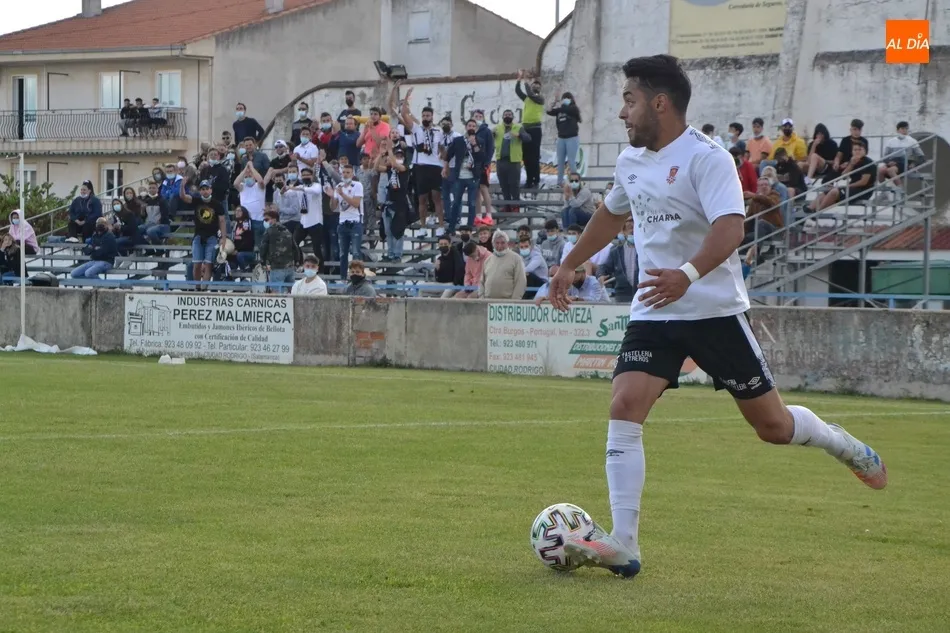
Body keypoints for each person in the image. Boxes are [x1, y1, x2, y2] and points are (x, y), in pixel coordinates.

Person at [545, 54, 888, 580]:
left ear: (660, 103)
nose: (622, 113)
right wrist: (569, 264)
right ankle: (625, 544)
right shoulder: (630, 161)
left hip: (714, 310)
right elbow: (611, 214)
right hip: (655, 310)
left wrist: (686, 274)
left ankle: (839, 442)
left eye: (629, 101)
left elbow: (731, 228)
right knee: (625, 404)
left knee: (772, 427)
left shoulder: (708, 158)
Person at [181, 179, 226, 289]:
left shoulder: (217, 204)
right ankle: (197, 287)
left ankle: (204, 288)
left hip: (212, 237)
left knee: (209, 265)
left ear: (211, 190)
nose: (205, 191)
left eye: (207, 189)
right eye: (203, 189)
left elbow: (222, 221)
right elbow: (184, 197)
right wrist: (182, 186)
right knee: (197, 264)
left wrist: (223, 238)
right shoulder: (196, 201)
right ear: (200, 191)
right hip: (198, 236)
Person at [446, 118, 486, 232]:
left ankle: (469, 228)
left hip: (473, 176)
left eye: (473, 126)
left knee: (472, 203)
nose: (471, 128)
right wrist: (445, 166)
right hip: (459, 176)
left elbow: (481, 158)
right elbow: (449, 154)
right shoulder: (458, 140)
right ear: (466, 127)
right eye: (469, 126)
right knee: (456, 202)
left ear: (476, 129)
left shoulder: (480, 141)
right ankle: (452, 227)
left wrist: (474, 144)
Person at [326, 163, 364, 277]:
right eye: (344, 172)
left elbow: (356, 203)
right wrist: (332, 196)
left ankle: (357, 276)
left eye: (348, 172)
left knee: (356, 252)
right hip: (342, 222)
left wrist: (342, 194)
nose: (345, 175)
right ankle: (343, 277)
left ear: (352, 174)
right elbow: (333, 208)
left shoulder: (357, 185)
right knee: (343, 253)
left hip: (355, 222)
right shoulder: (339, 186)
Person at [493, 109, 532, 213]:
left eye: (509, 115)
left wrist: (519, 135)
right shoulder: (497, 128)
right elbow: (489, 138)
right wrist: (492, 134)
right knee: (504, 185)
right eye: (505, 114)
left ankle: (515, 206)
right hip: (501, 160)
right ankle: (507, 206)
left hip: (514, 161)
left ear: (513, 117)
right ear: (502, 117)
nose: (507, 116)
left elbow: (528, 138)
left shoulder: (518, 127)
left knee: (514, 184)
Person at [378, 147, 410, 261]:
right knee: (388, 231)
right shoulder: (389, 169)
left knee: (398, 230)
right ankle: (390, 253)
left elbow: (397, 165)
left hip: (400, 204)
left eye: (401, 156)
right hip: (388, 203)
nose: (398, 158)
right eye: (397, 156)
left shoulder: (405, 168)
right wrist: (381, 155)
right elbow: (376, 167)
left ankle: (397, 254)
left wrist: (390, 151)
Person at [259, 209, 301, 294]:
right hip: (290, 267)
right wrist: (297, 261)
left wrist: (263, 262)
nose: (265, 222)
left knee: (276, 294)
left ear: (274, 219)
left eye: (266, 219)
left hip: (277, 267)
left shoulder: (269, 231)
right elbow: (295, 247)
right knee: (292, 293)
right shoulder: (287, 230)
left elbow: (263, 248)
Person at [515, 70, 544, 190]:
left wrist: (526, 80)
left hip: (535, 129)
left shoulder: (539, 98)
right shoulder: (527, 98)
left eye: (537, 86)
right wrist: (519, 79)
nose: (535, 87)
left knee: (534, 157)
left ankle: (536, 181)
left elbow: (530, 93)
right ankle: (529, 180)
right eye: (534, 85)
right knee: (526, 157)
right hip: (526, 129)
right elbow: (518, 91)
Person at [598, 217, 638, 303]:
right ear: (624, 232)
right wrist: (601, 274)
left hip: (642, 292)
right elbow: (604, 266)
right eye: (630, 231)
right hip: (622, 294)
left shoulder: (645, 250)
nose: (632, 233)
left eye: (635, 231)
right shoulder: (616, 251)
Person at [547, 91, 582, 185]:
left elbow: (567, 110)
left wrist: (561, 105)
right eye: (564, 98)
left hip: (572, 138)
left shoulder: (573, 108)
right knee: (560, 161)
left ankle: (575, 181)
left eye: (568, 98)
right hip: (561, 138)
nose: (566, 100)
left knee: (571, 161)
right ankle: (560, 182)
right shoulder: (560, 110)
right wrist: (554, 102)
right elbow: (549, 111)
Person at [479, 231, 526, 300]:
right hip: (488, 301)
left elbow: (520, 281)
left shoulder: (516, 259)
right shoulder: (488, 260)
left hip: (507, 302)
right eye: (497, 243)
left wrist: (514, 301)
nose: (500, 246)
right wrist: (481, 298)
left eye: (503, 243)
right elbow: (482, 282)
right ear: (493, 244)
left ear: (507, 243)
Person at [536, 264, 610, 304]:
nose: (572, 275)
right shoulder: (571, 282)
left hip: (605, 312)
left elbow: (594, 301)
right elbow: (561, 296)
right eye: (570, 272)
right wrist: (546, 298)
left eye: (575, 272)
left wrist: (575, 298)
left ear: (583, 272)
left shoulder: (595, 282)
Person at [231, 206, 256, 271]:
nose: (237, 212)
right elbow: (234, 239)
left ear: (244, 212)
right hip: (237, 250)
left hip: (248, 252)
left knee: (239, 255)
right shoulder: (236, 224)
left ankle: (246, 268)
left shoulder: (247, 223)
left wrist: (238, 250)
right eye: (236, 211)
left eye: (239, 211)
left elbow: (248, 241)